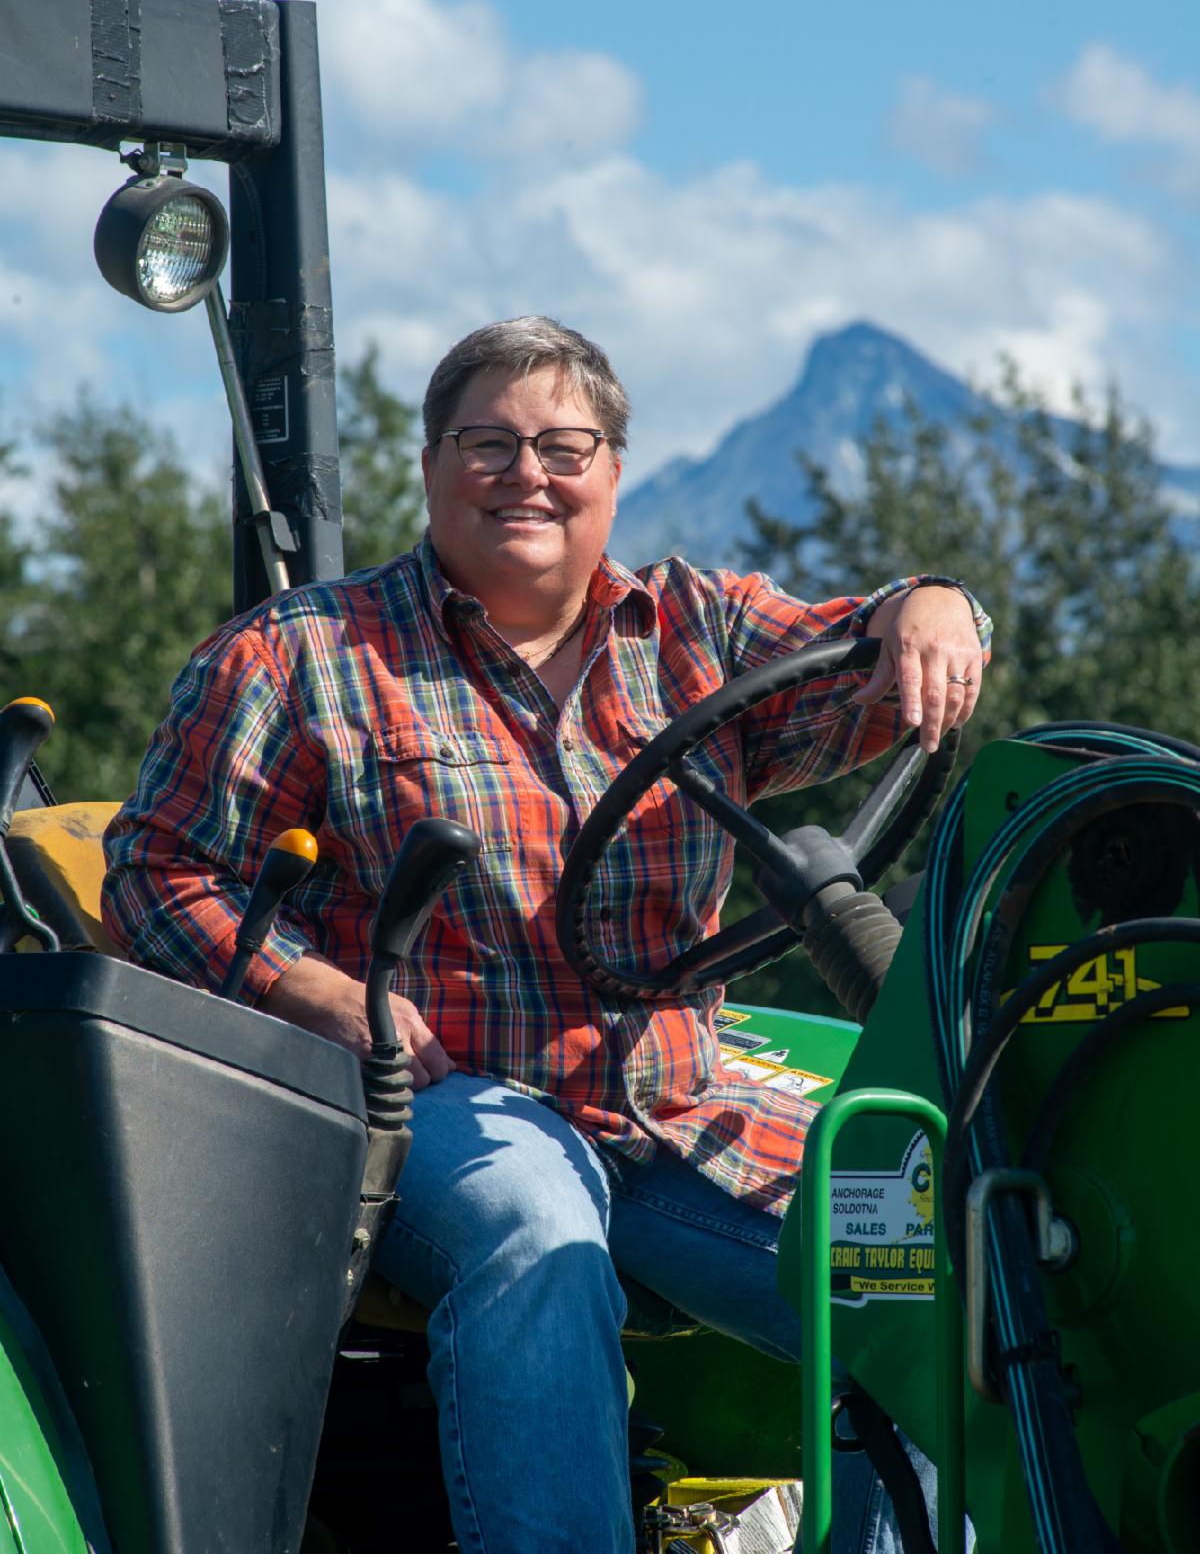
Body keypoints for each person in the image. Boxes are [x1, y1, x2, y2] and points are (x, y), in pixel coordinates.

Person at [102, 316, 988, 1554]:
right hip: (446, 1103)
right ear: (428, 467)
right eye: (489, 443)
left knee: (940, 1273)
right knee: (536, 1214)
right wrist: (312, 990)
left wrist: (936, 605)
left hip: (675, 1107)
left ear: (615, 472)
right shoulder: (305, 656)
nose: (529, 472)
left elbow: (883, 660)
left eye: (565, 446)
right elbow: (152, 872)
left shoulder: (699, 631)